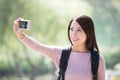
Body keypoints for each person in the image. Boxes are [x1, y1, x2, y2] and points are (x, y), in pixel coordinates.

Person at [13, 15, 106, 80]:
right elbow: (37, 46)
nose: (73, 34)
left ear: (88, 32)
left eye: (79, 30)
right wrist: (21, 36)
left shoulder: (98, 59)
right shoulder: (61, 54)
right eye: (71, 29)